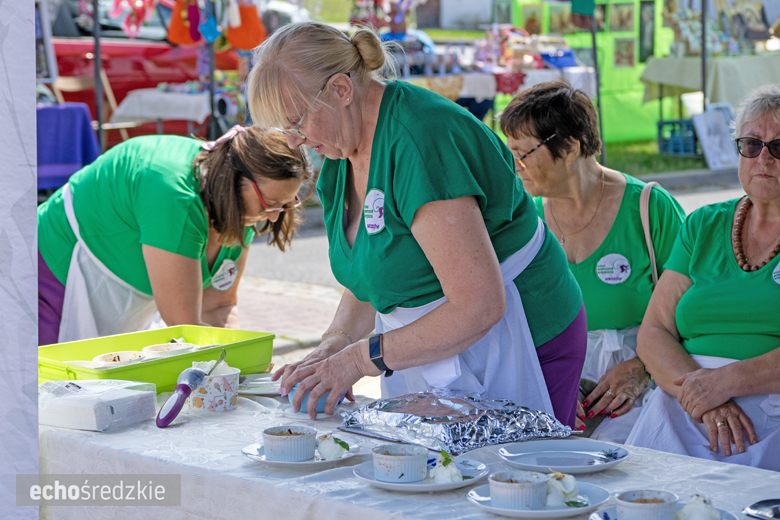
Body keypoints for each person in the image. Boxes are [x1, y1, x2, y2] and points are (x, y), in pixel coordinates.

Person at [247, 22, 587, 425]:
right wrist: (334, 345)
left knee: (514, 480)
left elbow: (478, 304)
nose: (293, 141)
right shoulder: (342, 150)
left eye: (296, 121)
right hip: (436, 343)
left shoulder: (421, 139)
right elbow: (373, 272)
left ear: (341, 90)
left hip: (522, 339)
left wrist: (359, 359)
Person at [499, 81, 685, 441]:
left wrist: (644, 367)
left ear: (569, 148)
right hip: (558, 382)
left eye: (523, 153)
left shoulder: (648, 209)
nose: (515, 166)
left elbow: (693, 311)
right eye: (511, 153)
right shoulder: (527, 222)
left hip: (645, 387)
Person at [38, 126, 311, 345]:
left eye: (286, 205)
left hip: (118, 290)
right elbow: (185, 326)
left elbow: (219, 305)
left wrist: (236, 358)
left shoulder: (243, 208)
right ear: (233, 181)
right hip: (50, 273)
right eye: (271, 203)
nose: (275, 216)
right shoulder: (174, 194)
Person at [626, 84, 780, 471]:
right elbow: (654, 331)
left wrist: (728, 381)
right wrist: (705, 395)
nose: (765, 158)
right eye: (751, 144)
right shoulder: (703, 224)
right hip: (686, 402)